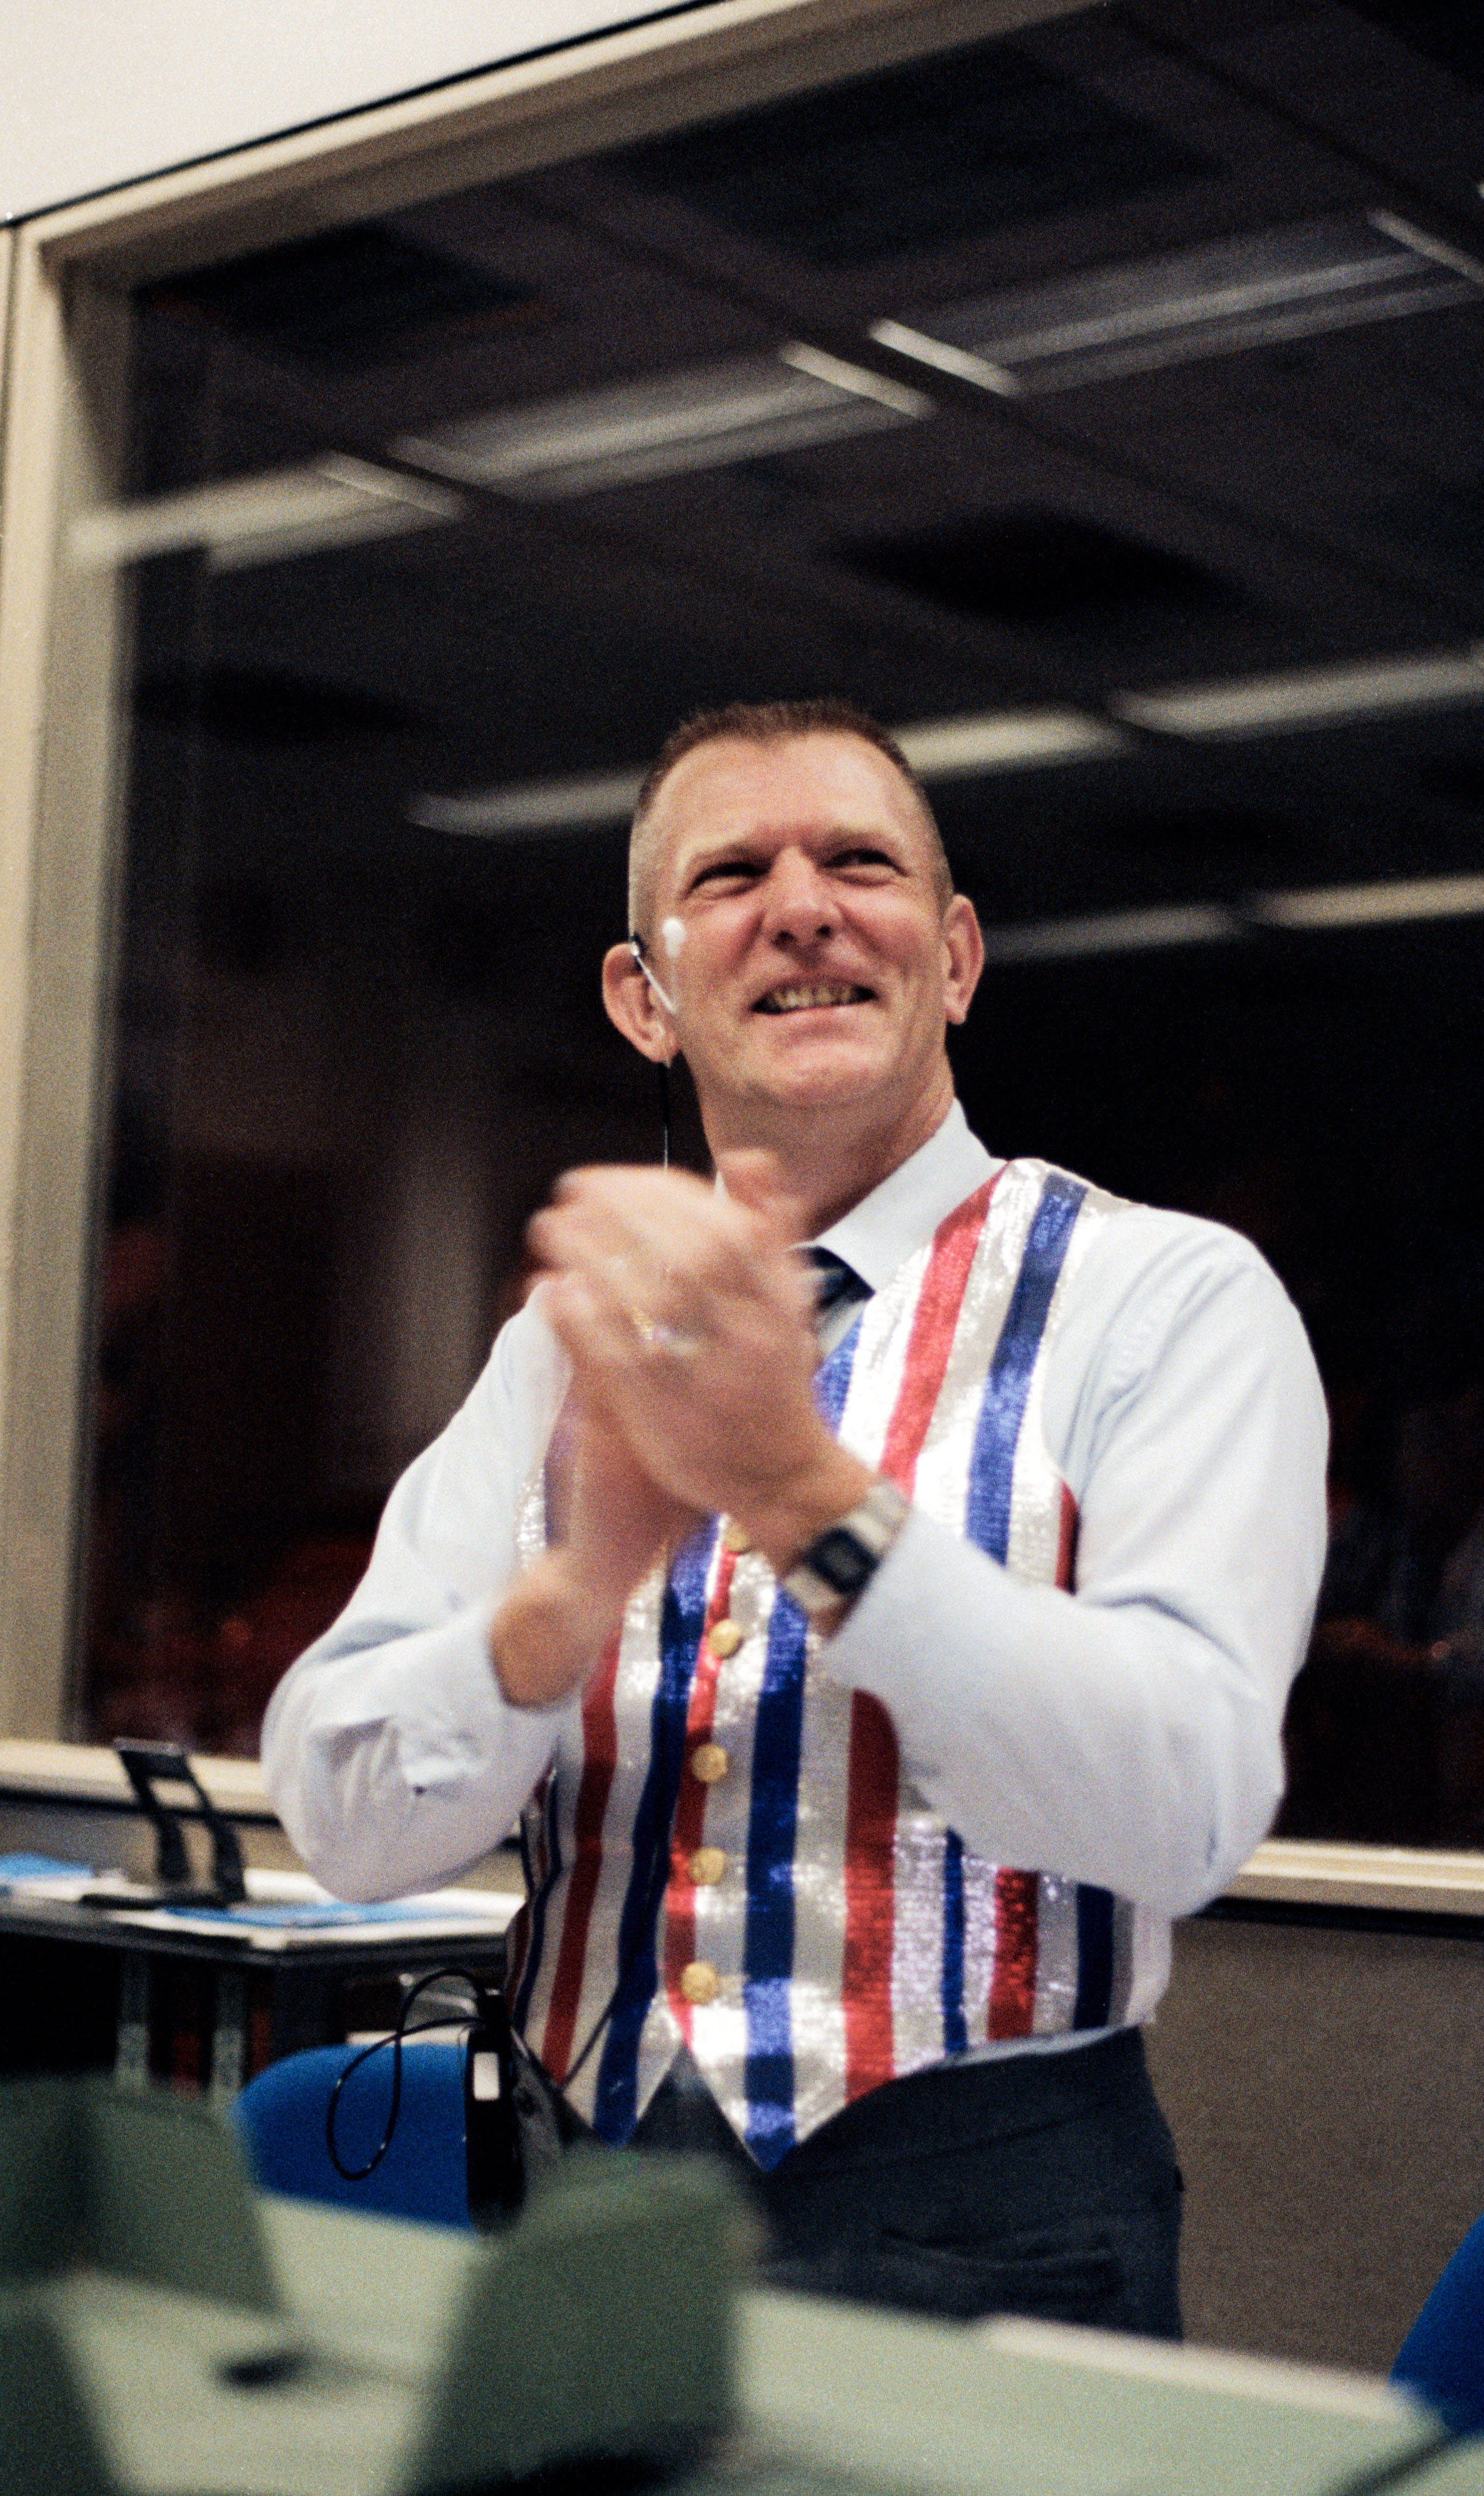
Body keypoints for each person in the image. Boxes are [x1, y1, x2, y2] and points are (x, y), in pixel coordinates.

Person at [263, 698, 1327, 2336]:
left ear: (954, 957)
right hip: (582, 2201)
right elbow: (345, 1814)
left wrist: (798, 1491)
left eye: (859, 860)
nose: (804, 903)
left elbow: (1179, 1808)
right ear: (645, 995)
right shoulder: (566, 1340)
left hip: (991, 2240)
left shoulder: (1160, 1298)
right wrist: (570, 1588)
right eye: (733, 871)